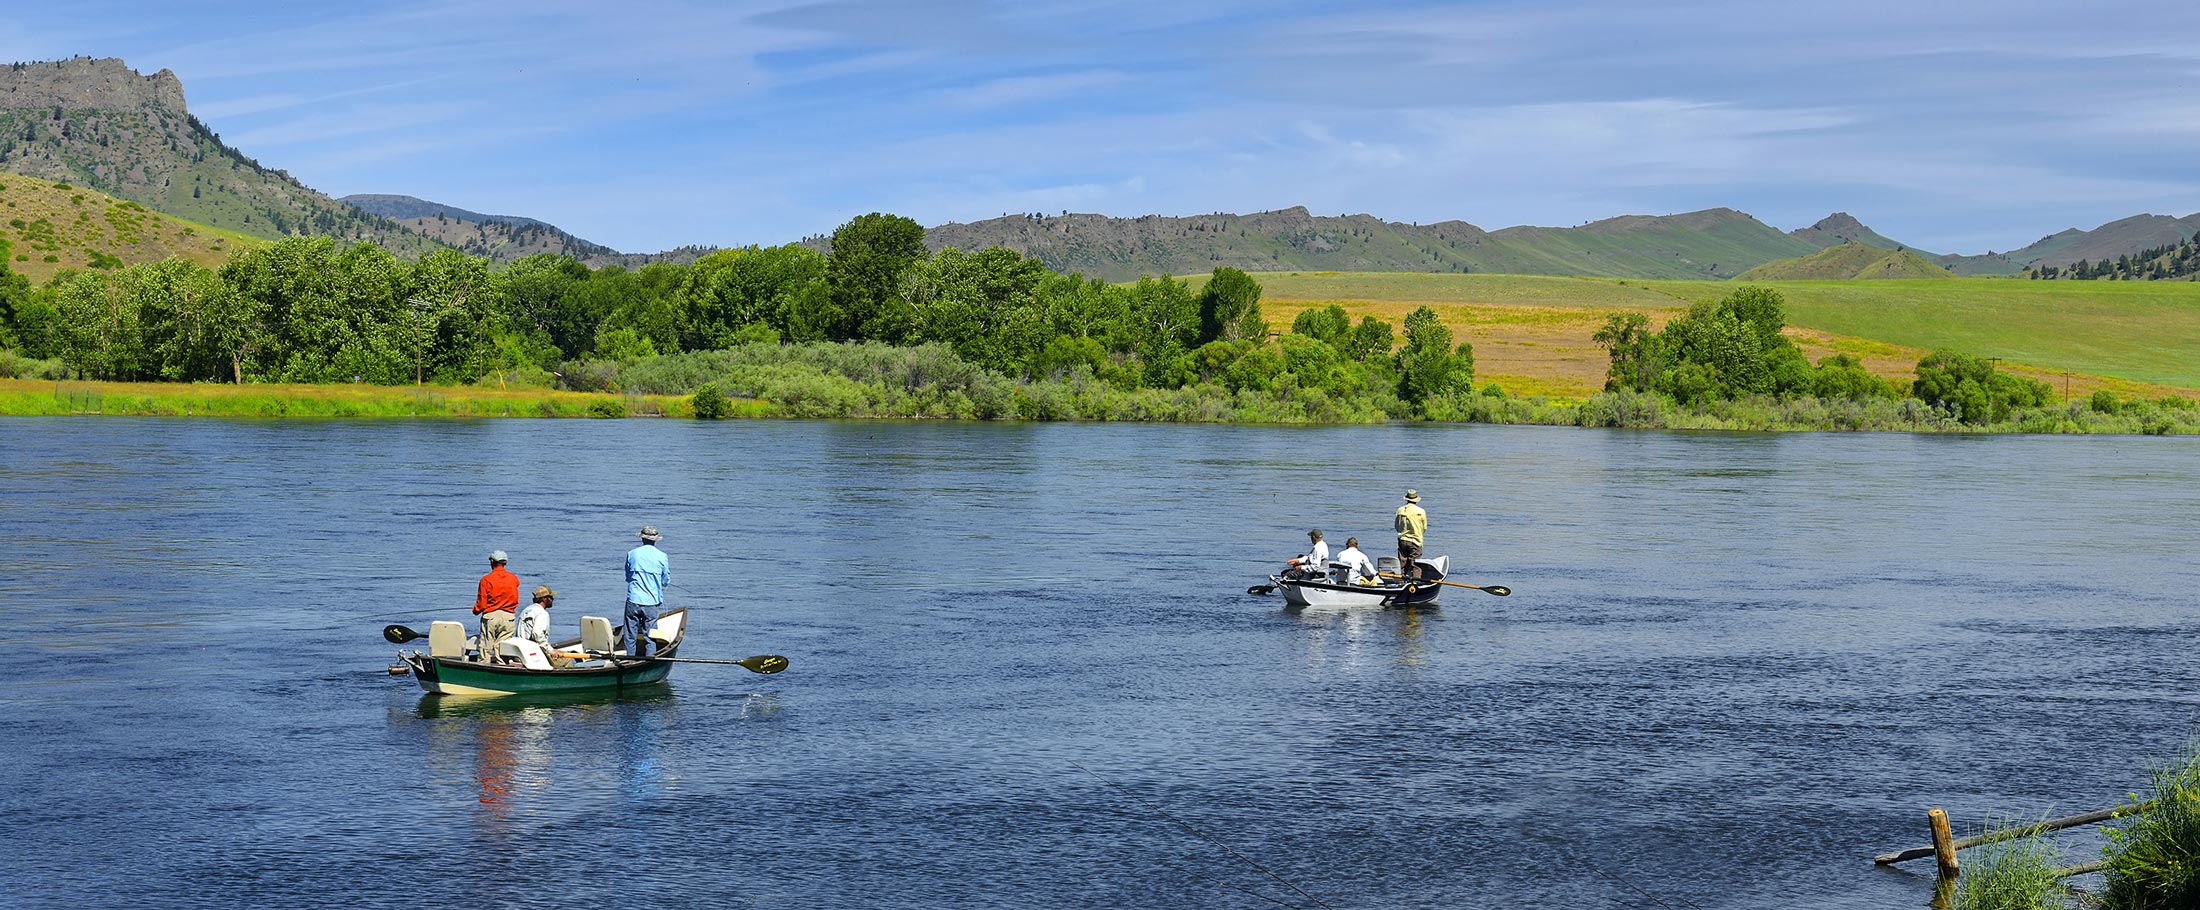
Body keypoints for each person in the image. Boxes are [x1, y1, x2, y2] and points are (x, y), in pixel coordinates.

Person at [624, 525, 669, 658]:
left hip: (633, 600)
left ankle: (629, 660)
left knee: (630, 635)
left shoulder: (632, 554)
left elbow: (627, 577)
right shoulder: (662, 556)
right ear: (655, 540)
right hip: (652, 602)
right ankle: (650, 660)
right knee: (650, 635)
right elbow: (665, 580)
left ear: (642, 539)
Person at [473, 550, 519, 662]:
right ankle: (502, 666)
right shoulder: (513, 578)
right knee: (502, 647)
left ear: (492, 562)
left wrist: (475, 610)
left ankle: (483, 667)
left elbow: (481, 604)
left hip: (491, 616)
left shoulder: (486, 580)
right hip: (509, 617)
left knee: (486, 646)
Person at [516, 585, 573, 668]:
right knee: (567, 658)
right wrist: (550, 650)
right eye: (550, 597)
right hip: (534, 653)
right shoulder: (542, 613)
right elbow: (537, 634)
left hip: (522, 651)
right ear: (544, 599)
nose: (552, 599)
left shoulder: (526, 610)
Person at [1395, 489, 1428, 580]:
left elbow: (1397, 526)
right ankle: (1415, 583)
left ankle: (1400, 581)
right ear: (1416, 500)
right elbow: (1424, 528)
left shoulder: (1400, 510)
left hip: (1402, 540)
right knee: (1415, 564)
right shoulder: (1421, 511)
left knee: (1402, 563)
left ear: (1407, 499)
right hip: (1415, 541)